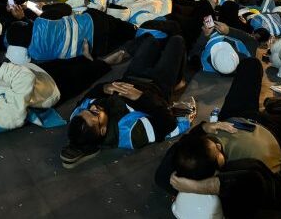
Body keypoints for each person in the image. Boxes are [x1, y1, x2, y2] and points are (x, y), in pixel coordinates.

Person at [154, 58, 281, 219]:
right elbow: (252, 179)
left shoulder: (177, 171)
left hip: (235, 117)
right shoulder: (235, 177)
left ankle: (272, 106)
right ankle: (277, 105)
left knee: (251, 65)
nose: (218, 145)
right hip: (275, 131)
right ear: (217, 169)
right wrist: (198, 187)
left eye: (211, 141)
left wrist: (205, 127)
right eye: (218, 152)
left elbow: (174, 156)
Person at [61, 35, 190, 168]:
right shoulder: (130, 133)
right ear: (104, 130)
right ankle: (178, 81)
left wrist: (104, 88)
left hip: (132, 76)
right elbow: (167, 123)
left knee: (151, 41)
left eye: (88, 110)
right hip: (158, 85)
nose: (93, 107)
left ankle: (133, 52)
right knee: (177, 40)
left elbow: (89, 96)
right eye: (95, 114)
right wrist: (141, 97)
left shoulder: (77, 117)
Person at [6, 8, 136, 62]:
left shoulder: (36, 54)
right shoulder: (41, 22)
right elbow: (65, 8)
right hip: (94, 22)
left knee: (118, 39)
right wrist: (25, 16)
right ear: (26, 25)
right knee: (95, 13)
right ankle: (133, 29)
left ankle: (131, 37)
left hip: (97, 48)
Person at [190, 20, 259, 75]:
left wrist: (204, 35)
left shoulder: (203, 65)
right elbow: (252, 40)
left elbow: (192, 55)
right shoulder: (248, 60)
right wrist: (229, 31)